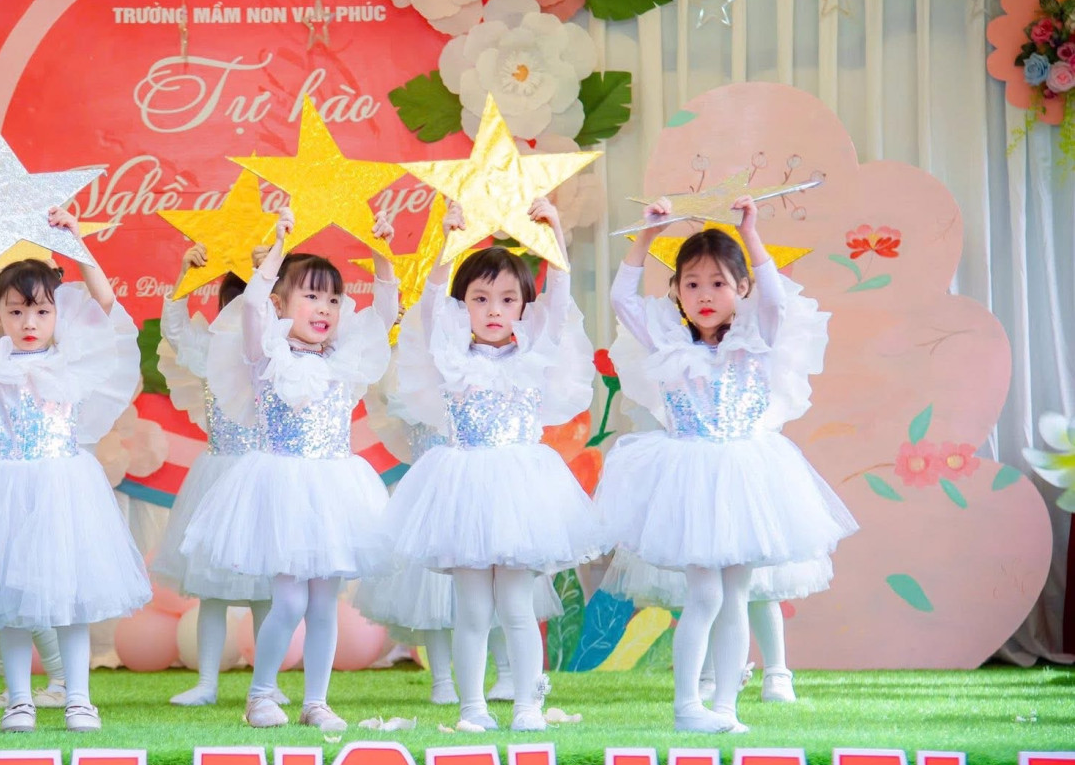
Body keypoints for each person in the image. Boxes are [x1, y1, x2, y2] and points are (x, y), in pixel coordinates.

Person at [598, 197, 857, 733]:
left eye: (718, 283)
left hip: (744, 475)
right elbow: (622, 298)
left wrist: (750, 233)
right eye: (691, 284)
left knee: (737, 595)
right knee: (704, 594)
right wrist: (647, 236)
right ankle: (687, 706)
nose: (704, 295)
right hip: (691, 478)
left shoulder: (756, 339)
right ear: (676, 291)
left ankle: (725, 707)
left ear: (741, 288)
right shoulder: (666, 340)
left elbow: (776, 300)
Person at [382, 197, 603, 732]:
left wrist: (554, 235)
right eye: (480, 299)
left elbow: (559, 301)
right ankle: (472, 708)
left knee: (517, 607)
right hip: (463, 491)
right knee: (473, 611)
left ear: (525, 308)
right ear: (463, 308)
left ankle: (527, 705)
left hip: (520, 493)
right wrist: (448, 243)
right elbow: (431, 305)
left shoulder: (534, 354)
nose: (494, 310)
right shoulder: (451, 356)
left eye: (507, 299)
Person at [0, 209, 150, 732]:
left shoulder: (72, 359)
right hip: (1, 487)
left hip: (62, 488)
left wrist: (78, 246)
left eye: (41, 311)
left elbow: (108, 307)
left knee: (70, 600)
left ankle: (79, 699)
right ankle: (19, 700)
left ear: (57, 314)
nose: (29, 323)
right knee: (7, 601)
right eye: (16, 311)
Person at [181, 207, 398, 729]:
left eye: (333, 299)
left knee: (323, 605)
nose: (324, 308)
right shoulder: (266, 354)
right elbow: (254, 304)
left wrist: (382, 255)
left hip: (333, 489)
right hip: (283, 490)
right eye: (311, 296)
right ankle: (261, 695)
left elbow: (386, 312)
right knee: (288, 601)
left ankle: (315, 701)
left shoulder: (343, 358)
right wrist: (277, 248)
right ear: (281, 304)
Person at [153, 242, 289, 708]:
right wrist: (184, 276)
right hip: (218, 477)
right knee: (211, 590)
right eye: (232, 304)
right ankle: (207, 683)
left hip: (265, 480)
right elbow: (173, 328)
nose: (240, 314)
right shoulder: (209, 349)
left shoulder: (280, 354)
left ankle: (267, 684)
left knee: (268, 589)